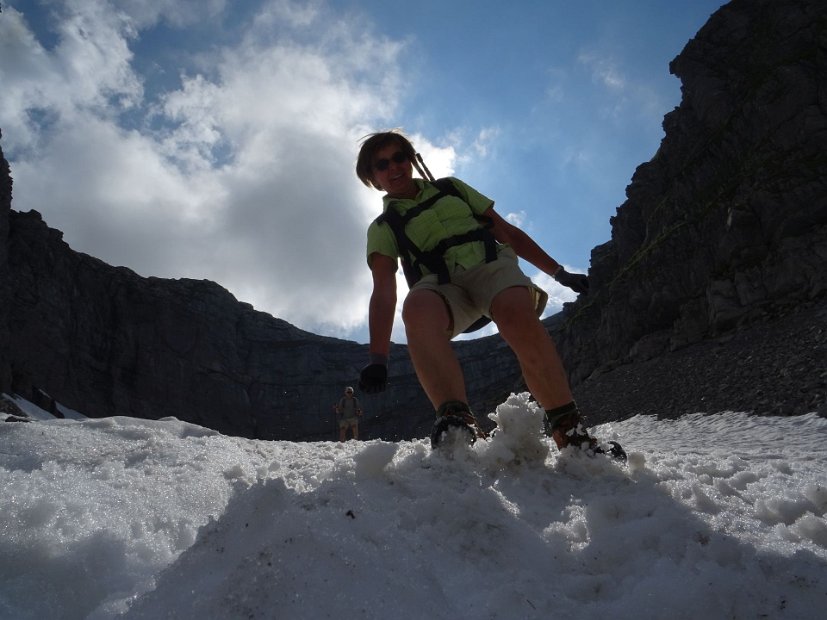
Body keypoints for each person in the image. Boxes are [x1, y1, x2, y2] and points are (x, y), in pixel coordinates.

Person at [355, 130, 623, 457]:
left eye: (399, 157)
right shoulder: (383, 227)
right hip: (441, 285)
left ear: (411, 160)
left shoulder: (451, 188)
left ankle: (570, 432)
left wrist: (559, 272)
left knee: (515, 312)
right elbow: (384, 290)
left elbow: (506, 232)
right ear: (373, 178)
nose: (393, 167)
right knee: (416, 307)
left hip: (490, 265)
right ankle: (457, 423)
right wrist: (378, 358)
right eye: (382, 165)